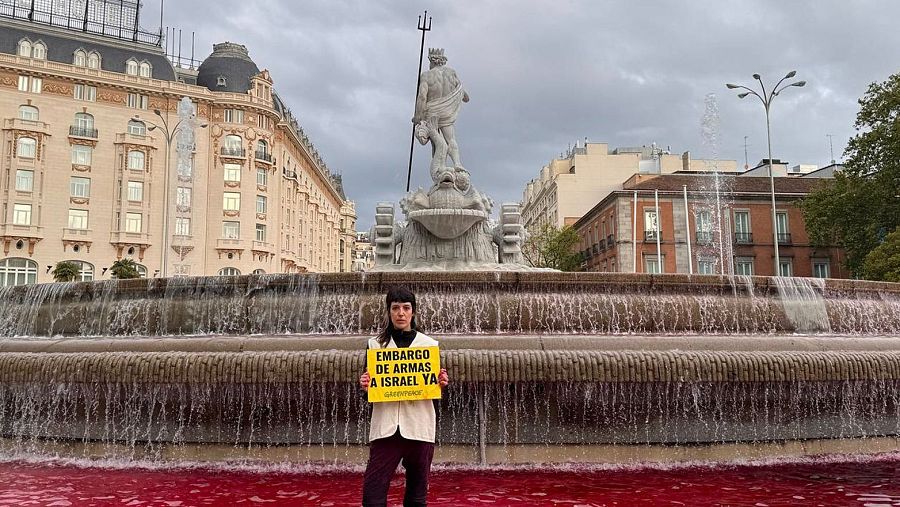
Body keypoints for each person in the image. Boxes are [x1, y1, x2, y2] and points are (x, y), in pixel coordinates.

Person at [359, 286, 449, 506]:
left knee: (417, 496)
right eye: (396, 308)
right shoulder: (375, 345)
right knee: (373, 496)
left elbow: (434, 392)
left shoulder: (430, 346)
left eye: (406, 308)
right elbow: (369, 393)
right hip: (386, 429)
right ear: (389, 312)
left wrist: (442, 384)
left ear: (413, 312)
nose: (401, 313)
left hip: (420, 427)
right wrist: (364, 387)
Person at [412, 48, 469, 172]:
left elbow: (422, 96)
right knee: (451, 139)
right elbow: (464, 94)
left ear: (432, 62)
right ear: (443, 61)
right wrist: (460, 96)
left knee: (437, 142)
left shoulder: (427, 75)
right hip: (447, 111)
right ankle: (457, 163)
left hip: (432, 112)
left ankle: (440, 167)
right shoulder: (451, 73)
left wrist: (418, 116)